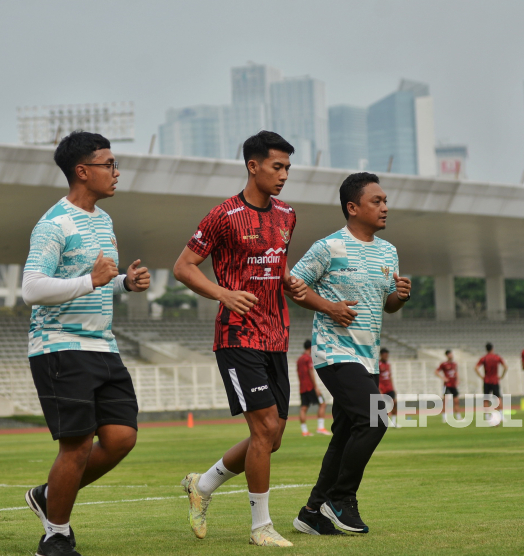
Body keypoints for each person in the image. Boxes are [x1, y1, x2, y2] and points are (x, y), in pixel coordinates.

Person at [173, 131, 306, 547]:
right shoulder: (224, 215)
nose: (284, 175)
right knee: (264, 428)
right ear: (253, 166)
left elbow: (274, 266)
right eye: (276, 166)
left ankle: (203, 484)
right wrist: (223, 293)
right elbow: (183, 266)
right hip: (237, 337)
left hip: (276, 337)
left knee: (273, 436)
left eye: (287, 167)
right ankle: (260, 528)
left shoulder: (287, 215)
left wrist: (290, 283)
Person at [22, 131, 150, 556]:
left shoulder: (103, 221)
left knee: (121, 439)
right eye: (109, 164)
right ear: (83, 171)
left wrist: (123, 283)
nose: (117, 172)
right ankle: (55, 536)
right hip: (59, 347)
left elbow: (93, 279)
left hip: (103, 346)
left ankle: (47, 497)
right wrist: (91, 280)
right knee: (75, 446)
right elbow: (32, 289)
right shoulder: (53, 224)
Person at [289, 172, 411, 536]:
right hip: (334, 352)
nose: (385, 207)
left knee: (345, 433)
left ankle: (312, 512)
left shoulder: (389, 252)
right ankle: (341, 499)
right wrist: (330, 308)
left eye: (386, 201)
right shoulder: (328, 247)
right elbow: (294, 285)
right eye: (377, 201)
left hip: (368, 357)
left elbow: (387, 307)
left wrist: (398, 297)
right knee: (377, 416)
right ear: (352, 207)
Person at [298, 339, 331, 436]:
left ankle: (304, 431)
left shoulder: (299, 359)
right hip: (310, 386)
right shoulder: (308, 358)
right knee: (323, 403)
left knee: (303, 408)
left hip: (302, 387)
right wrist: (316, 387)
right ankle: (320, 427)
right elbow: (310, 372)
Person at [475, 343, 508, 421]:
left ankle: (487, 416)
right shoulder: (497, 357)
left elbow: (476, 367)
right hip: (495, 380)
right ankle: (501, 415)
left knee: (486, 398)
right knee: (498, 397)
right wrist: (502, 376)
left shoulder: (484, 358)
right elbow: (505, 367)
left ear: (486, 349)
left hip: (486, 380)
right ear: (493, 348)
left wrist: (481, 376)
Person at [435, 350, 460, 422]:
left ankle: (458, 416)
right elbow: (436, 371)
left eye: (451, 354)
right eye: (450, 354)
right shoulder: (444, 364)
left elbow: (456, 372)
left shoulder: (455, 364)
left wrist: (458, 379)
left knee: (456, 401)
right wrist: (443, 378)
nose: (451, 355)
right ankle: (444, 417)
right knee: (445, 401)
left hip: (453, 385)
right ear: (447, 355)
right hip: (447, 385)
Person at [377, 348, 398, 427]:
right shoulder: (378, 364)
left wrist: (393, 388)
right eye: (384, 355)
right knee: (383, 406)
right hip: (382, 388)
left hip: (389, 388)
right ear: (381, 355)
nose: (386, 357)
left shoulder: (388, 365)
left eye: (387, 355)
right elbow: (377, 377)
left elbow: (390, 376)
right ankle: (383, 422)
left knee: (394, 403)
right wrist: (379, 389)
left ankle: (393, 422)